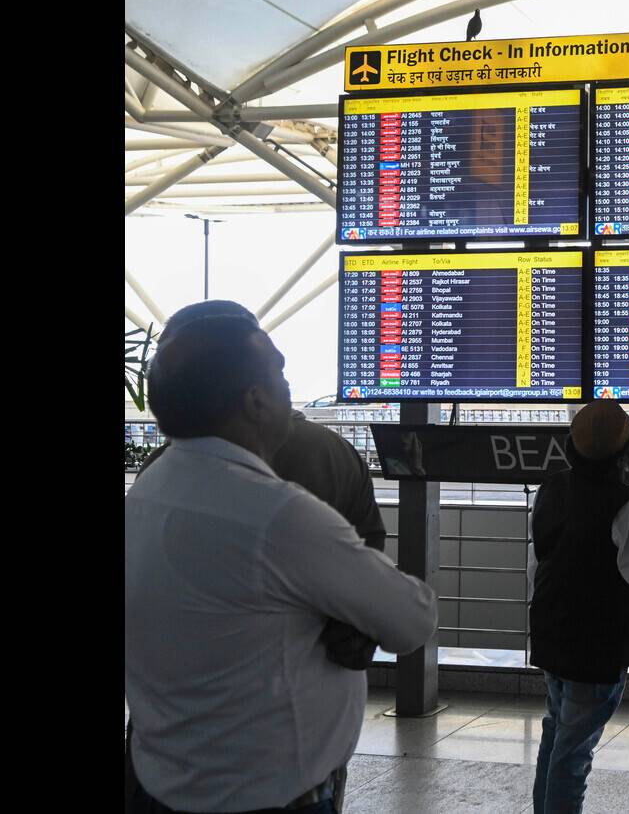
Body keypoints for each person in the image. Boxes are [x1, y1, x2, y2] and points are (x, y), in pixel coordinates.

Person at [126, 315, 438, 813]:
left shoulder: (145, 495)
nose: (289, 387)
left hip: (160, 785)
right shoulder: (279, 515)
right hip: (272, 798)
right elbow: (411, 619)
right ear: (255, 401)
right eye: (280, 372)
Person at [137, 299, 388, 670]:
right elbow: (373, 554)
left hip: (185, 679)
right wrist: (356, 625)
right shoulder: (334, 452)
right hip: (313, 674)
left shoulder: (159, 474)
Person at [527, 399, 629, 814]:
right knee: (572, 757)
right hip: (596, 651)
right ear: (628, 454)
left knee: (556, 740)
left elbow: (537, 567)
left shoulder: (551, 489)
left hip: (552, 638)